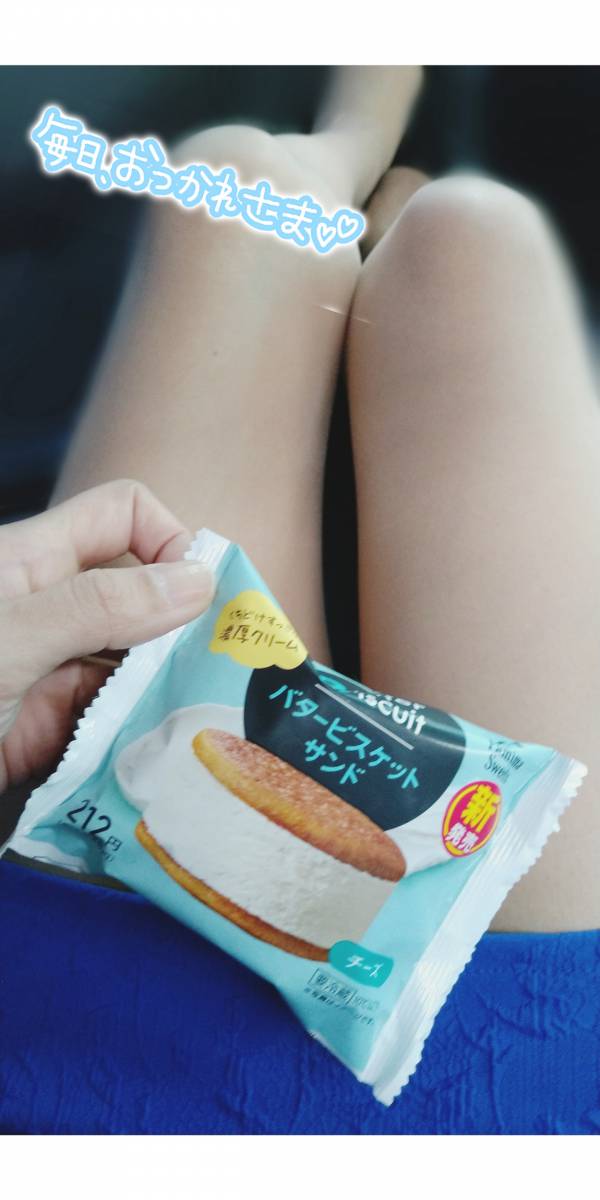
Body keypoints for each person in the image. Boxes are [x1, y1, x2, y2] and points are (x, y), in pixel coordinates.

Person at [1, 66, 600, 1134]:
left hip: (93, 1002)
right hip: (531, 1045)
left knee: (233, 183)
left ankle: (345, 165)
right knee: (473, 240)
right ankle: (383, 206)